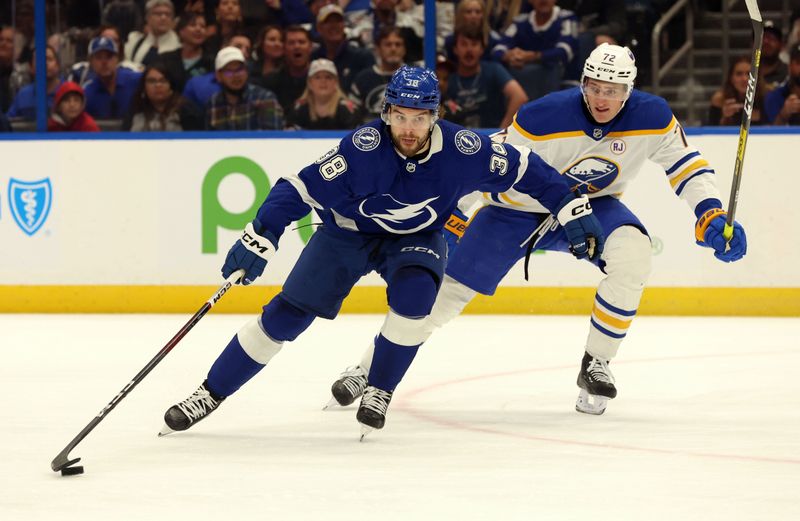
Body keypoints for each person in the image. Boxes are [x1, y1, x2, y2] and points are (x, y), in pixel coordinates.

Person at [160, 65, 606, 437]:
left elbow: (526, 169)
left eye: (419, 117)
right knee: (286, 316)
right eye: (400, 116)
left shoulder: (464, 150)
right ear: (386, 112)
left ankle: (380, 388)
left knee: (415, 299)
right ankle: (210, 392)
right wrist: (261, 235)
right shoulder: (361, 149)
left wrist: (569, 204)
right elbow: (297, 189)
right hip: (347, 234)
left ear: (435, 115)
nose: (409, 128)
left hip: (417, 237)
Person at [328, 43, 748, 417]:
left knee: (633, 256)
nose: (603, 98)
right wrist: (457, 211)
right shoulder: (543, 116)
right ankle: (367, 371)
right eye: (595, 87)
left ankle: (595, 364)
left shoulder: (654, 116)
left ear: (630, 90)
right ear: (582, 82)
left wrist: (709, 211)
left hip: (591, 208)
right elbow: (487, 161)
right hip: (514, 211)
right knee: (441, 297)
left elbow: (686, 166)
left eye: (614, 90)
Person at [492, 0, 578, 100]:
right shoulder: (521, 22)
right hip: (528, 84)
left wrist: (533, 56)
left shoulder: (566, 18)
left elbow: (565, 52)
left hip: (565, 84)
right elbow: (497, 49)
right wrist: (509, 56)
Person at [448, 27, 527, 128]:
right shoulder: (448, 77)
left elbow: (520, 97)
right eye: (464, 44)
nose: (469, 50)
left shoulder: (493, 70)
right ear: (455, 49)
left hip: (491, 137)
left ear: (482, 49)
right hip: (459, 138)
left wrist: (502, 131)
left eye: (474, 44)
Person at [204, 46, 284, 130]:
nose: (236, 76)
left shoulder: (265, 98)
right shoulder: (213, 103)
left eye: (240, 70)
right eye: (229, 72)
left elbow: (272, 138)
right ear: (218, 76)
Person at [349, 26, 407, 124]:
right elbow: (352, 115)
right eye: (388, 45)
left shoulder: (416, 77)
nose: (393, 49)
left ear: (404, 49)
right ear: (377, 49)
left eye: (398, 44)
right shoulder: (363, 78)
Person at [311, 4, 375, 92]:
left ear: (344, 25)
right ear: (319, 28)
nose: (334, 25)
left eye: (338, 21)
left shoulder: (362, 57)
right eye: (328, 22)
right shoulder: (313, 58)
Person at [123, 63, 203, 130]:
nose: (158, 85)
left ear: (171, 86)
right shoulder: (135, 108)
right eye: (152, 81)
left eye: (163, 81)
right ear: (144, 87)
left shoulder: (186, 110)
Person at [289, 58, 361, 129]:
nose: (323, 81)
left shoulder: (348, 110)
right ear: (309, 83)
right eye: (317, 77)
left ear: (336, 83)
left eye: (328, 77)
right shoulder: (299, 109)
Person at [83, 36, 143, 120]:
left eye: (109, 57)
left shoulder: (136, 80)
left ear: (117, 59)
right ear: (91, 62)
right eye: (99, 57)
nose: (104, 62)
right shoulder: (87, 92)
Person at [261, 25, 314, 114]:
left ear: (310, 47)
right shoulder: (270, 82)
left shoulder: (323, 79)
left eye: (301, 42)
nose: (297, 46)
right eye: (291, 43)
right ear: (284, 49)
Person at [6, 45, 63, 121]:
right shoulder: (23, 95)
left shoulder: (70, 92)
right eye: (39, 60)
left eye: (49, 59)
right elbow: (8, 124)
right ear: (31, 67)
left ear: (58, 65)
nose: (45, 63)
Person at [707, 56, 766, 126]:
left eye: (749, 74)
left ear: (757, 77)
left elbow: (776, 127)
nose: (744, 79)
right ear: (731, 78)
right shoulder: (720, 99)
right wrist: (725, 116)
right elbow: (711, 131)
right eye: (739, 74)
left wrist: (762, 116)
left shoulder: (767, 96)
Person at [124, 0, 182, 67]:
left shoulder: (179, 46)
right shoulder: (136, 39)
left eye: (168, 14)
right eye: (158, 14)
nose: (163, 18)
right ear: (147, 18)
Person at [765, 44, 800, 126]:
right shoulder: (775, 96)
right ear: (790, 66)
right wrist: (783, 114)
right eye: (799, 62)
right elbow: (768, 135)